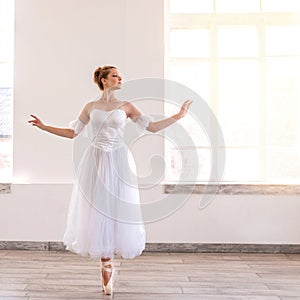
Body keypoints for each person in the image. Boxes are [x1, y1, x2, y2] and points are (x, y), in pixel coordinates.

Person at [28, 65, 192, 295]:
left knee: (116, 209)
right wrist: (45, 127)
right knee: (97, 209)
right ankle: (105, 263)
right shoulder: (91, 107)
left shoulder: (126, 107)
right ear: (103, 80)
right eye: (115, 75)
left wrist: (178, 116)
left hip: (118, 160)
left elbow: (152, 127)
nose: (120, 78)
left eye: (120, 75)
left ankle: (109, 264)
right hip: (94, 160)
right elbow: (72, 133)